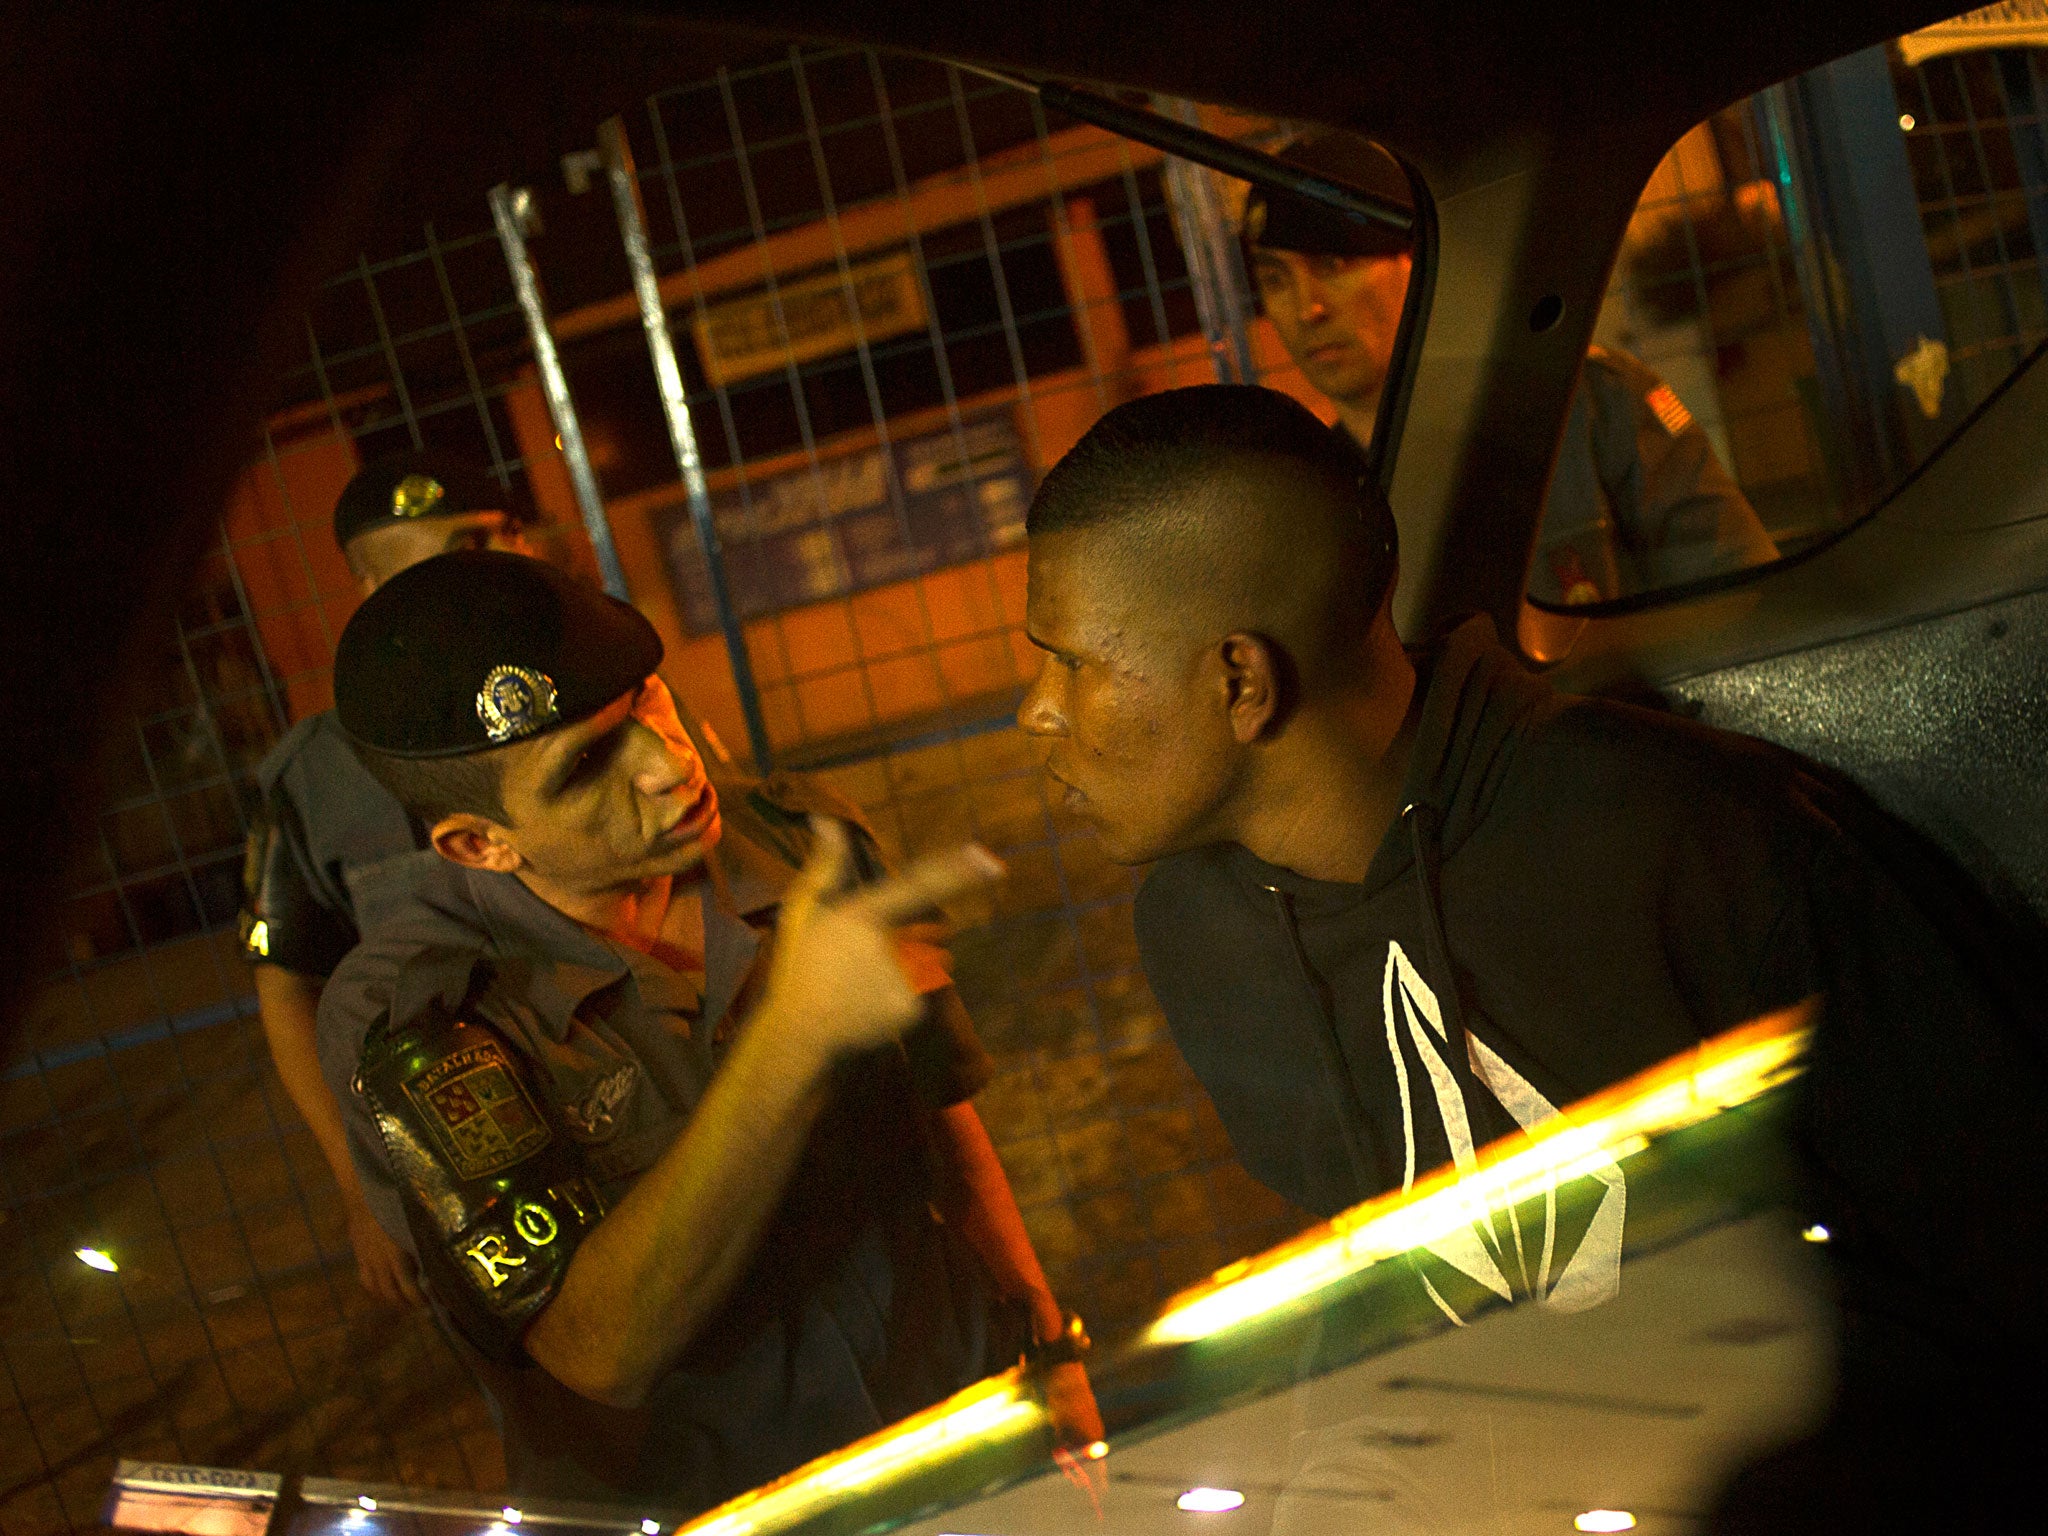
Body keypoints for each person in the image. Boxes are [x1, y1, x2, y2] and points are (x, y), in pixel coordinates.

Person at [1017, 385, 2045, 1523]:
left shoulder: (1679, 837)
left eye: (1066, 662)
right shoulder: (1200, 941)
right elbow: (1364, 1289)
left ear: (1240, 683)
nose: (1036, 712)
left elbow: (2001, 1243)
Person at [316, 550, 1099, 1509]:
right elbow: (595, 1347)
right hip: (733, 1505)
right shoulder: (418, 1015)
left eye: (646, 702)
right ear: (482, 843)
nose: (666, 763)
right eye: (587, 768)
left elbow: (946, 1124)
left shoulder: (796, 837)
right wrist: (793, 1038)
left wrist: (1047, 1350)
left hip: (960, 1422)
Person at [1242, 131, 1778, 604]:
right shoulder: (1314, 498)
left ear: (1418, 259)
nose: (1307, 308)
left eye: (1334, 265)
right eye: (1275, 281)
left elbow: (1740, 599)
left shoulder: (1584, 403)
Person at [241, 450, 537, 1306]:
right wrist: (357, 1185)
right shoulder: (315, 779)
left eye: (504, 534)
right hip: (474, 1165)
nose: (501, 561)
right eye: (462, 547)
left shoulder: (608, 696)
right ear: (377, 592)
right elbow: (287, 987)